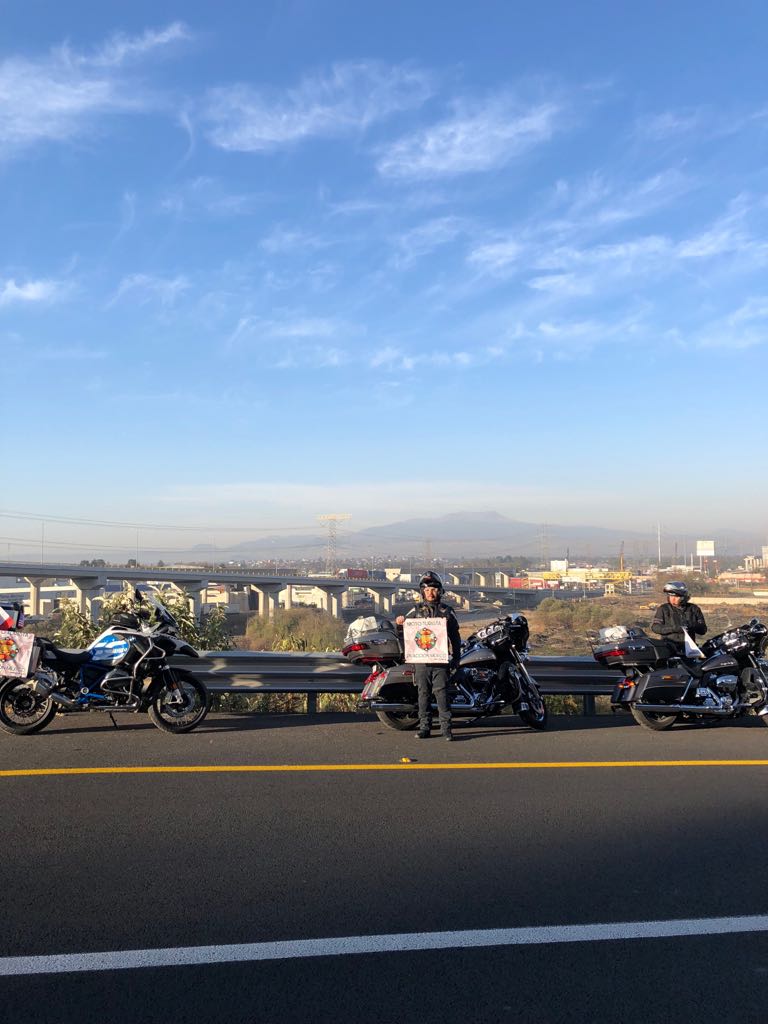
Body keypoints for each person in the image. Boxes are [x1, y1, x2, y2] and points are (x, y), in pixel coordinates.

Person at [395, 571, 462, 741]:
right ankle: (424, 728)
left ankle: (446, 729)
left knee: (442, 695)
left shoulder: (447, 611)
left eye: (433, 589)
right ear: (422, 592)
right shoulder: (416, 610)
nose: (430, 593)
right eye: (426, 590)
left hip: (440, 662)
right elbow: (405, 634)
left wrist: (456, 657)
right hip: (421, 662)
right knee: (423, 695)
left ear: (439, 591)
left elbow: (455, 637)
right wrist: (400, 625)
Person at [651, 581, 707, 655]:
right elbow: (655, 627)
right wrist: (674, 628)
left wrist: (690, 625)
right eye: (671, 596)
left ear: (683, 597)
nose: (673, 599)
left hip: (689, 649)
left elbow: (703, 630)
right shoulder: (663, 609)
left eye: (676, 597)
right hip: (669, 649)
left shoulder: (694, 609)